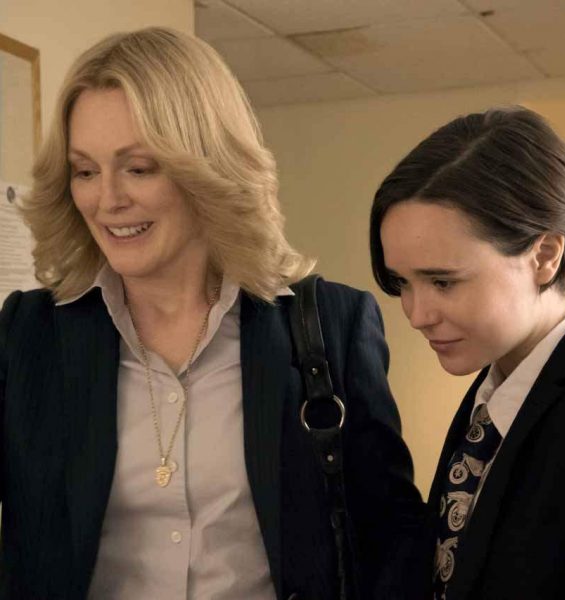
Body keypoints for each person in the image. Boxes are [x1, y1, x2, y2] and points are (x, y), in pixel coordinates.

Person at [0, 27, 424, 600]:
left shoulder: (330, 325)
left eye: (139, 167)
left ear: (206, 166)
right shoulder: (26, 334)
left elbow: (392, 541)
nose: (108, 199)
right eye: (85, 171)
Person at [370, 106, 565, 599]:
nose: (416, 314)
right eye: (402, 283)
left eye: (442, 282)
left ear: (544, 255)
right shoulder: (495, 391)